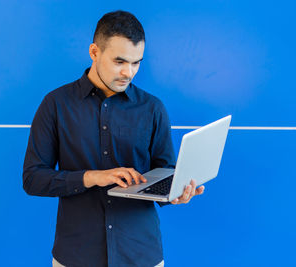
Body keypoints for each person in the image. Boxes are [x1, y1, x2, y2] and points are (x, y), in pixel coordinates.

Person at [23, 10, 204, 267]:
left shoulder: (152, 108)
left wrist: (176, 193)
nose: (128, 73)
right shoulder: (55, 104)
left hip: (141, 254)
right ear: (94, 52)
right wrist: (94, 176)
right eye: (119, 61)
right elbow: (32, 179)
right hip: (76, 255)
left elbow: (166, 171)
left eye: (136, 62)